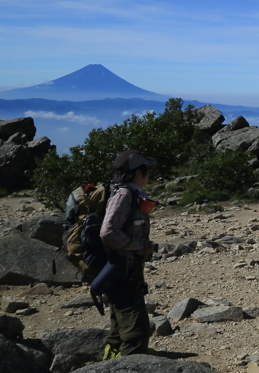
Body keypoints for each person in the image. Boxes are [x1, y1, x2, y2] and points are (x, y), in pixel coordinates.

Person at [100, 151, 157, 360]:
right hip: (123, 271)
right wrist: (137, 245)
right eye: (147, 169)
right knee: (136, 333)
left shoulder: (128, 193)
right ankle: (129, 365)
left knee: (118, 329)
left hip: (121, 269)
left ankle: (109, 363)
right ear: (137, 173)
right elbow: (108, 231)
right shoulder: (125, 195)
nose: (149, 174)